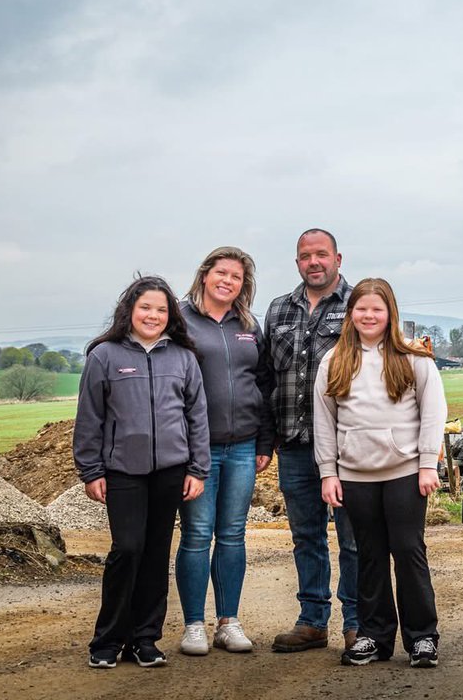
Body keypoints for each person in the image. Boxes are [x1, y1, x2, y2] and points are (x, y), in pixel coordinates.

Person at [73, 276, 210, 669]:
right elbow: (89, 418)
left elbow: (197, 415)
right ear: (129, 311)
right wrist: (91, 470)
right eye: (145, 308)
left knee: (154, 556)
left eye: (161, 309)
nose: (153, 315)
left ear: (171, 316)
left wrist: (197, 468)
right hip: (122, 473)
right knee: (127, 550)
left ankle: (145, 639)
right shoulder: (105, 356)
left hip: (171, 471)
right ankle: (107, 640)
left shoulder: (183, 357)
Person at [314, 278, 445, 667]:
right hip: (355, 475)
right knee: (368, 555)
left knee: (408, 551)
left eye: (377, 309)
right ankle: (374, 636)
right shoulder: (334, 360)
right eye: (361, 309)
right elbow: (325, 420)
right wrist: (328, 472)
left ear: (390, 313)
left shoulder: (413, 358)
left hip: (405, 471)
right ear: (350, 314)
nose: (368, 315)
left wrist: (426, 465)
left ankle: (422, 638)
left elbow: (433, 412)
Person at [175, 247, 275, 655]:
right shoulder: (179, 321)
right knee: (197, 534)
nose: (227, 281)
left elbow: (264, 383)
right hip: (196, 450)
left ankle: (228, 622)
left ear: (243, 285)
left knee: (233, 534)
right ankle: (193, 624)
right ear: (204, 275)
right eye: (221, 273)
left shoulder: (248, 325)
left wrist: (265, 441)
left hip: (244, 446)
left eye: (236, 277)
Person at [264, 229, 359, 651]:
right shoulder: (278, 309)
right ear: (297, 262)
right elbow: (266, 377)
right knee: (306, 536)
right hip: (295, 445)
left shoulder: (360, 304)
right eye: (305, 256)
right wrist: (268, 437)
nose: (314, 262)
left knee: (354, 539)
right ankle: (312, 620)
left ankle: (357, 621)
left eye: (321, 254)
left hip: (347, 447)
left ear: (338, 258)